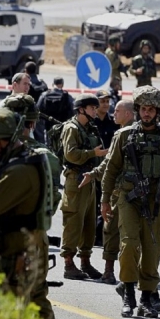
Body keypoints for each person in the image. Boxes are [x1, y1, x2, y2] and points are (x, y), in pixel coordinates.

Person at [101, 86, 160, 318]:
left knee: (152, 248)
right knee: (129, 244)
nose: (146, 113)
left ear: (158, 112)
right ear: (138, 110)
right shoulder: (124, 136)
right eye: (143, 109)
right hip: (129, 198)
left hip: (156, 201)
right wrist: (104, 200)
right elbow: (110, 170)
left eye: (151, 109)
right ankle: (128, 294)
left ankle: (146, 298)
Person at [0, 108, 58, 319]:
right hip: (23, 250)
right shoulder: (18, 162)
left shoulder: (20, 171)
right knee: (37, 309)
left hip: (17, 258)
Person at [79, 99, 135, 285]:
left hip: (122, 191)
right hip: (133, 191)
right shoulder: (138, 132)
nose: (113, 114)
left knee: (112, 230)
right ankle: (129, 273)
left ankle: (111, 272)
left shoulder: (123, 134)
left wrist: (94, 174)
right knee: (129, 233)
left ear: (128, 114)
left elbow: (109, 164)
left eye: (117, 110)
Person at [60, 94, 108, 280]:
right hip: (76, 180)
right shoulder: (71, 128)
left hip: (90, 179)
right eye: (92, 108)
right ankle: (68, 264)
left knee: (89, 223)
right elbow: (70, 154)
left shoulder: (90, 128)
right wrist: (92, 153)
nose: (96, 111)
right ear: (81, 109)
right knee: (73, 222)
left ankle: (85, 262)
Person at [93, 90, 119, 246]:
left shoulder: (114, 123)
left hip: (110, 169)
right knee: (94, 202)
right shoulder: (90, 123)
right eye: (102, 101)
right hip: (94, 168)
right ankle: (94, 235)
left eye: (107, 101)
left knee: (107, 202)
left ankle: (105, 235)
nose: (105, 104)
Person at [37, 77, 75, 144]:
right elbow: (73, 111)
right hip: (62, 126)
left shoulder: (45, 95)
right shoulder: (67, 96)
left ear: (53, 84)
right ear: (62, 84)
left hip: (48, 127)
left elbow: (38, 109)